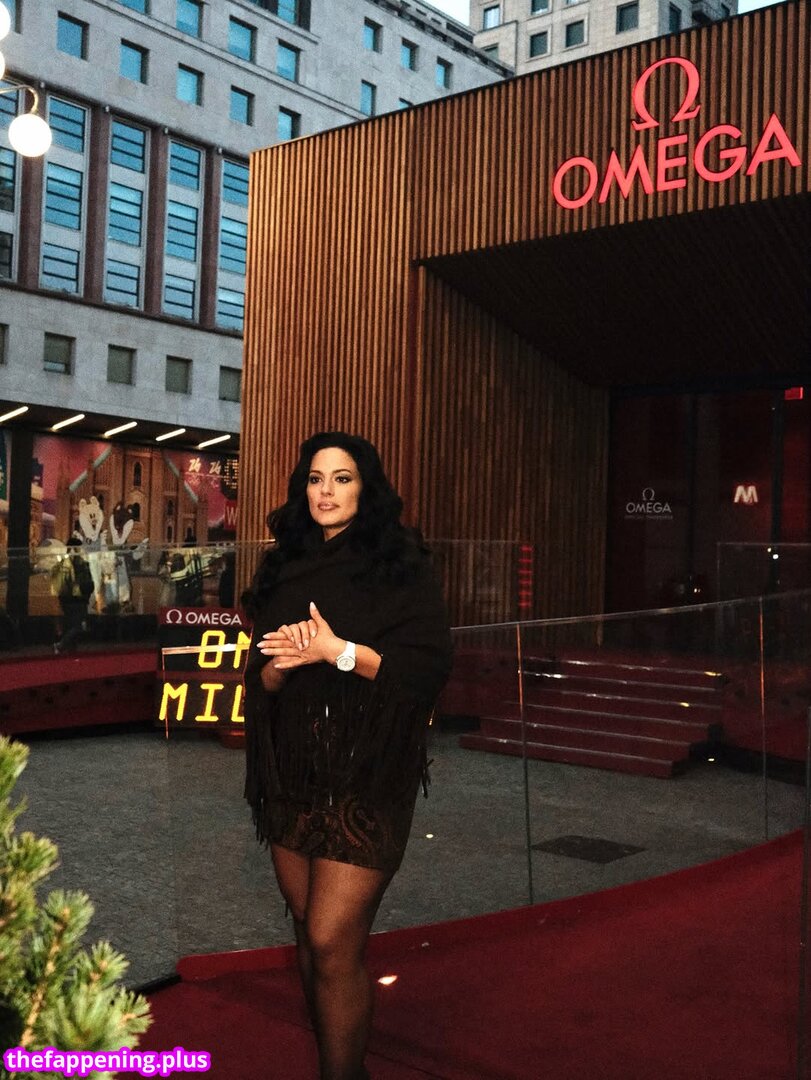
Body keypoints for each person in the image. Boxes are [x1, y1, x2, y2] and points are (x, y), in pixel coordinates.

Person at [242, 432, 452, 1080]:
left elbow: (425, 674)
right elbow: (258, 675)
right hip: (291, 772)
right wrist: (279, 667)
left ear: (367, 488)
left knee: (332, 939)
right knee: (309, 932)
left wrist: (335, 651)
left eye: (341, 478)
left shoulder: (400, 565)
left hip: (366, 773)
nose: (326, 491)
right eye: (315, 479)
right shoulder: (283, 566)